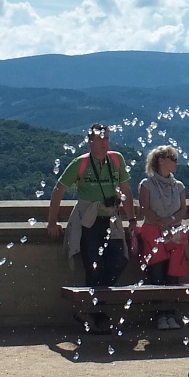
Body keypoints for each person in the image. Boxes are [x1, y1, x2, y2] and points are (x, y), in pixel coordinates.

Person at [47, 123, 137, 334]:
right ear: (90, 141)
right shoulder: (80, 163)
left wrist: (132, 220)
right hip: (88, 222)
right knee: (93, 267)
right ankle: (96, 316)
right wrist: (52, 222)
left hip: (111, 219)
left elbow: (125, 191)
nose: (105, 142)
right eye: (101, 138)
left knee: (118, 261)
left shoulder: (116, 160)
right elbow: (58, 191)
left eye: (107, 138)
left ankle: (92, 312)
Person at [137, 145, 188, 330]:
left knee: (173, 275)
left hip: (174, 234)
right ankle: (160, 315)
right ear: (161, 160)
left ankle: (171, 314)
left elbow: (183, 209)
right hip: (153, 233)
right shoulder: (146, 184)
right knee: (156, 274)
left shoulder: (179, 186)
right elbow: (145, 209)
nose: (176, 162)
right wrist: (161, 223)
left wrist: (170, 220)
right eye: (173, 158)